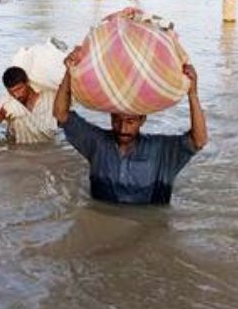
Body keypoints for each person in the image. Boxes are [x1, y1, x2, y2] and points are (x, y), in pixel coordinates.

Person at [53, 46, 208, 204]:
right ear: (110, 117)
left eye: (130, 122)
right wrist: (69, 71)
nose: (122, 128)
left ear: (143, 120)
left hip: (147, 227)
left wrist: (193, 94)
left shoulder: (162, 151)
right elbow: (61, 114)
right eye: (117, 120)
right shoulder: (97, 144)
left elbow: (199, 140)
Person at [0, 66, 58, 144]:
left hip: (45, 139)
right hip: (17, 145)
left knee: (13, 107)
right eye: (11, 92)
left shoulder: (49, 95)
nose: (16, 95)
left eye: (19, 89)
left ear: (27, 83)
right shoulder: (9, 99)